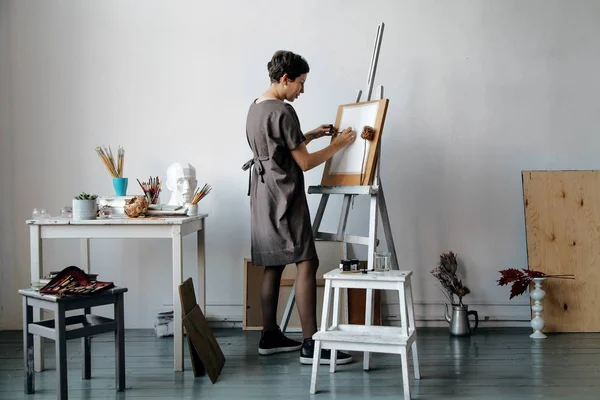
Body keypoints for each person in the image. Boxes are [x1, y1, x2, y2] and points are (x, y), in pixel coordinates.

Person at [243, 50, 357, 365]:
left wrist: (312, 134)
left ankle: (269, 336)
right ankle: (312, 344)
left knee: (273, 264)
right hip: (285, 195)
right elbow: (304, 162)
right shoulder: (283, 110)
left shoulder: (255, 107)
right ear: (285, 79)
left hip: (262, 195)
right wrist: (337, 144)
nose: (302, 90)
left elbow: (276, 147)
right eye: (300, 83)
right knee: (307, 261)